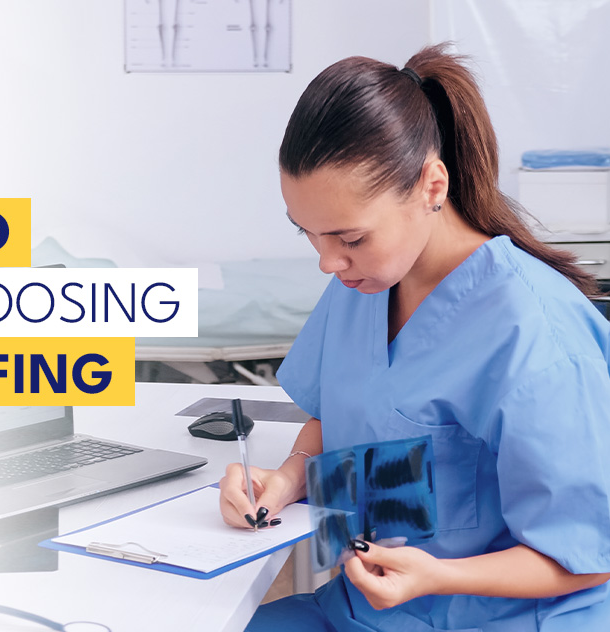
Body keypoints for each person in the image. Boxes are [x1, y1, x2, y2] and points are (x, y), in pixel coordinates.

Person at [219, 44, 610, 631]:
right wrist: (290, 474)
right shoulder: (365, 282)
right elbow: (350, 414)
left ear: (431, 185)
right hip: (361, 610)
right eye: (310, 234)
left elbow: (587, 557)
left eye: (349, 238)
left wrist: (439, 576)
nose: (328, 262)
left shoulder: (536, 336)